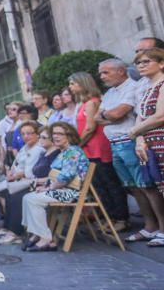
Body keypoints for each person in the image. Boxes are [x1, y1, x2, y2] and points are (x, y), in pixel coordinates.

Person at [97, 58, 164, 244]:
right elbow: (98, 117)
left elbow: (120, 114)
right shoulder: (109, 93)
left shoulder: (132, 87)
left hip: (130, 140)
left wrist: (109, 115)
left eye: (106, 72)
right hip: (115, 143)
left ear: (120, 71)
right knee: (132, 186)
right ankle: (149, 226)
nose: (102, 76)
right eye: (101, 73)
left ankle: (161, 227)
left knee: (147, 185)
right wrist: (108, 115)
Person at [70, 71, 129, 229]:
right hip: (89, 149)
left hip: (97, 147)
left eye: (73, 83)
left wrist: (78, 145)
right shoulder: (82, 103)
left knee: (109, 182)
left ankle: (121, 218)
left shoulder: (92, 102)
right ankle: (109, 217)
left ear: (83, 84)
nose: (70, 87)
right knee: (99, 185)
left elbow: (90, 127)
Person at [21, 122, 90, 252]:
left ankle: (45, 239)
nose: (56, 137)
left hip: (72, 193)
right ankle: (37, 234)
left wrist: (48, 188)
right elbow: (55, 177)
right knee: (27, 197)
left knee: (33, 200)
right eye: (54, 134)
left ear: (69, 136)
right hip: (63, 190)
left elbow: (65, 177)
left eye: (60, 134)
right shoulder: (63, 152)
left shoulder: (72, 151)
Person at [0, 126, 60, 246]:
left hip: (44, 185)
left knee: (18, 196)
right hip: (36, 183)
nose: (40, 140)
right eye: (40, 137)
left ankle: (17, 232)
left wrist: (36, 182)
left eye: (43, 137)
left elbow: (54, 177)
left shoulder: (48, 152)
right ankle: (18, 230)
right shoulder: (45, 152)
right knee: (11, 194)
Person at [130, 48, 164, 246]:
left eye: (146, 61)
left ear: (161, 63)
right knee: (157, 186)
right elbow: (141, 116)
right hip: (150, 144)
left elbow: (160, 116)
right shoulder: (147, 88)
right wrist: (139, 139)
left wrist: (134, 131)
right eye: (139, 63)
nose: (141, 65)